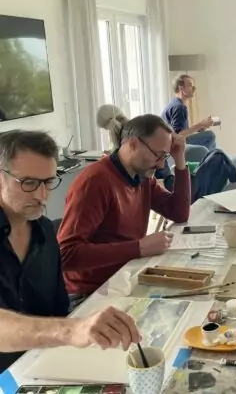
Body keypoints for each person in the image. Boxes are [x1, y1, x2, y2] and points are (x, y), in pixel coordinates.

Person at [0, 130, 140, 372]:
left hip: (41, 366)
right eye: (29, 183)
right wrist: (71, 330)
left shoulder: (45, 232)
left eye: (48, 182)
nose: (41, 196)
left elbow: (58, 310)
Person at [57, 114, 191, 310]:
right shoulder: (94, 182)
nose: (162, 165)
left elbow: (179, 213)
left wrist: (179, 159)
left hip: (124, 276)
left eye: (165, 157)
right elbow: (66, 255)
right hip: (90, 293)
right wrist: (139, 248)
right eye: (158, 155)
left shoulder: (142, 177)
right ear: (133, 144)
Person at [161, 74, 217, 150]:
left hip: (171, 145)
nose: (194, 89)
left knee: (211, 141)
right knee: (210, 135)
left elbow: (181, 132)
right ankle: (208, 157)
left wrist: (199, 129)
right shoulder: (179, 107)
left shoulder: (174, 104)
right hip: (175, 146)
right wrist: (201, 124)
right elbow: (179, 135)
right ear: (181, 88)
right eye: (190, 85)